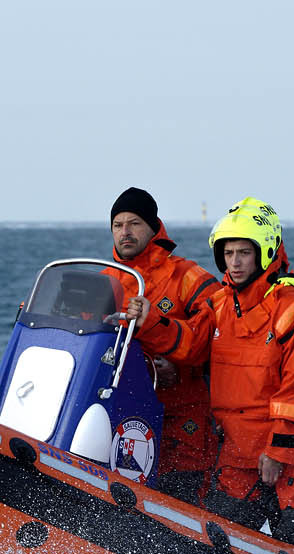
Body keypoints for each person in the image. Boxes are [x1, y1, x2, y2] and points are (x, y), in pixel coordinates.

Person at [187, 196, 294, 554]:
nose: (234, 262)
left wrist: (278, 451)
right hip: (238, 450)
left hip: (291, 451)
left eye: (243, 253)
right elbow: (187, 343)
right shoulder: (219, 305)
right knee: (220, 539)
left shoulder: (293, 308)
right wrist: (144, 322)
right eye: (228, 253)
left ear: (264, 253)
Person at [105, 187, 219, 504]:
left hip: (183, 419)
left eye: (134, 223)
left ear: (154, 227)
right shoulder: (106, 281)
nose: (124, 232)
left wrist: (155, 326)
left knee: (182, 501)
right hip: (122, 417)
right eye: (117, 225)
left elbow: (215, 341)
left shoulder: (188, 277)